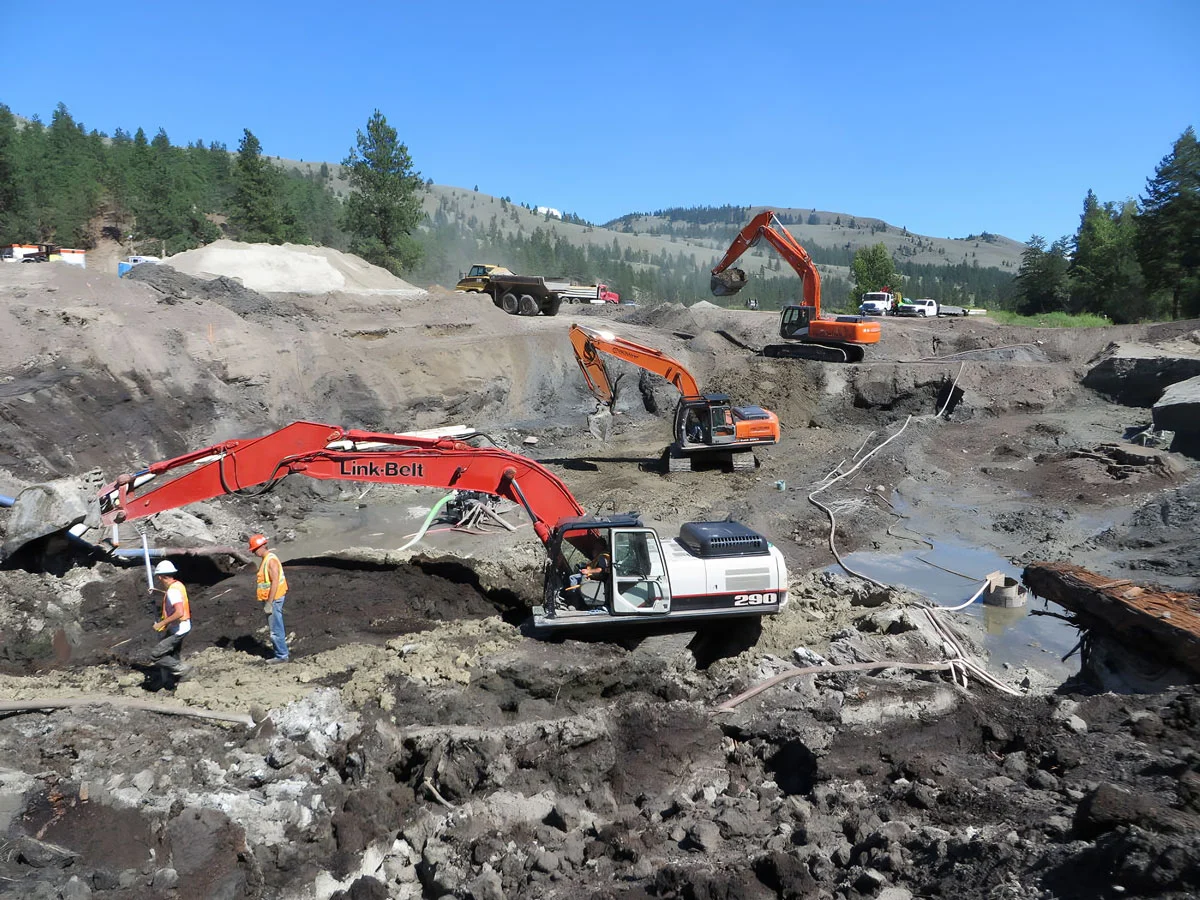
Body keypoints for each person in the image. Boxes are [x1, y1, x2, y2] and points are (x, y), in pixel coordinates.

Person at [150, 560, 192, 685]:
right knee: (173, 654)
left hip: (179, 629)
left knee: (156, 655)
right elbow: (174, 596)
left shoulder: (172, 591)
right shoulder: (177, 585)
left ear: (161, 577)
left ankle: (183, 670)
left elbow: (179, 612)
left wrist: (161, 624)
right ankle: (179, 681)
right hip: (182, 626)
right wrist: (157, 591)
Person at [250, 533, 289, 663]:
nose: (254, 552)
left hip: (274, 599)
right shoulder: (267, 559)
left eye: (254, 550)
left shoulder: (270, 561)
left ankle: (281, 656)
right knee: (276, 627)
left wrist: (269, 603)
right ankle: (281, 653)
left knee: (276, 630)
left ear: (261, 547)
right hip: (273, 599)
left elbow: (275, 582)